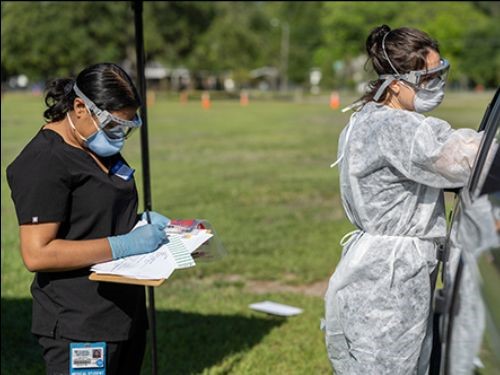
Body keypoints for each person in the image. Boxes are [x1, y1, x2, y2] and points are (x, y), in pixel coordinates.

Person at [322, 25, 484, 374]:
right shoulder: (401, 129)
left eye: (442, 72)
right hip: (393, 276)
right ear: (396, 83)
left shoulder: (365, 120)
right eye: (429, 76)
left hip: (374, 267)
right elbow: (468, 159)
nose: (437, 83)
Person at [6, 62, 171, 375]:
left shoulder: (96, 145)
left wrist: (138, 221)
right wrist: (124, 244)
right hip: (79, 324)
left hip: (124, 314)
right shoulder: (44, 162)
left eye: (126, 128)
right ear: (80, 107)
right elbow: (37, 253)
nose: (119, 136)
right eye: (112, 126)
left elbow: (92, 215)